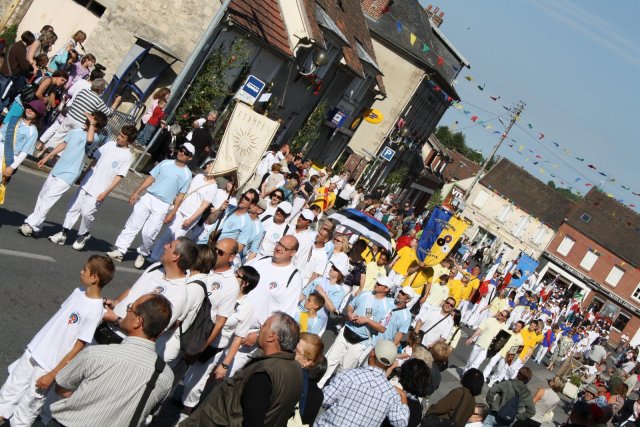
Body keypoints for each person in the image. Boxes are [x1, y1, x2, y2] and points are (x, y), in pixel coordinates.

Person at [0, 255, 114, 426]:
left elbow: (78, 347)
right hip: (34, 350)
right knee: (9, 391)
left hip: (48, 365)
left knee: (28, 407)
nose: (81, 271)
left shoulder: (94, 310)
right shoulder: (77, 293)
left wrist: (52, 374)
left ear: (94, 278)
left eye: (85, 269)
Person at [49, 294, 174, 427]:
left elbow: (61, 387)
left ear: (138, 321)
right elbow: (148, 411)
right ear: (160, 333)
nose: (126, 311)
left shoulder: (96, 354)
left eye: (130, 308)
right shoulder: (165, 376)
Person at [181, 312, 303, 426]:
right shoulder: (295, 368)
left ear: (272, 336)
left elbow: (252, 420)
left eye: (264, 326)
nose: (260, 328)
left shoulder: (265, 372)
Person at [179, 265, 259, 419]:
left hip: (213, 347)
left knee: (195, 383)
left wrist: (224, 364)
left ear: (246, 283)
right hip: (194, 336)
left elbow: (238, 338)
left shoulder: (246, 307)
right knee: (178, 371)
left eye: (237, 275)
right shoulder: (224, 289)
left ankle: (185, 414)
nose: (233, 275)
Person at [17, 111, 108, 238]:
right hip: (58, 168)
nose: (86, 121)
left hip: (70, 174)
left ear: (95, 126)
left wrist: (92, 123)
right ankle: (37, 226)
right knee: (43, 195)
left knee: (49, 198)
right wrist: (48, 156)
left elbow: (89, 140)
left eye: (90, 121)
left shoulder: (95, 138)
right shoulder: (76, 132)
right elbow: (63, 144)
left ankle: (30, 224)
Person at [47, 125, 136, 249]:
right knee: (73, 207)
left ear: (129, 141)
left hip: (101, 188)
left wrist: (106, 192)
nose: (118, 137)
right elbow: (95, 160)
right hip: (88, 181)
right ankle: (63, 233)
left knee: (87, 213)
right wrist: (84, 174)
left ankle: (83, 234)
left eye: (122, 136)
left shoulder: (127, 156)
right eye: (119, 134)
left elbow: (119, 177)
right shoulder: (109, 144)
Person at [107, 143, 194, 266]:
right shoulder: (165, 163)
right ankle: (120, 251)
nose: (182, 153)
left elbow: (181, 195)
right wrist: (136, 192)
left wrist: (173, 212)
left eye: (186, 153)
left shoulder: (187, 174)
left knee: (149, 233)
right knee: (133, 224)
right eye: (181, 150)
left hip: (163, 204)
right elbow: (150, 178)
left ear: (190, 158)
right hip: (149, 197)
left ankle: (143, 253)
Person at [319, 276, 395, 387]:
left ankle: (333, 391)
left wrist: (367, 320)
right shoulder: (365, 294)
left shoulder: (389, 306)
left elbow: (382, 328)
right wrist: (350, 314)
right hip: (346, 331)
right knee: (330, 360)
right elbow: (350, 306)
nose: (376, 284)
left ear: (387, 289)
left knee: (344, 369)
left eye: (380, 284)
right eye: (377, 282)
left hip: (360, 342)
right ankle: (317, 386)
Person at [315, 339, 410, 427]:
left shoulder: (349, 375)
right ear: (391, 363)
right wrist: (403, 397)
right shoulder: (391, 394)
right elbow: (401, 422)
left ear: (372, 353)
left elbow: (323, 399)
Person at [148, 164, 218, 262]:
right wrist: (175, 207)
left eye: (210, 165)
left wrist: (191, 219)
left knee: (176, 237)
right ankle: (154, 255)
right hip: (181, 209)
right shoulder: (198, 177)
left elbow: (203, 206)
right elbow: (187, 190)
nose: (207, 166)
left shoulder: (213, 187)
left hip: (191, 215)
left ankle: (166, 259)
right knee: (168, 233)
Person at [0, 100, 44, 193]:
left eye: (34, 110)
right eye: (29, 107)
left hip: (9, 159)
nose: (30, 110)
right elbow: (1, 134)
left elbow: (24, 153)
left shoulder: (33, 132)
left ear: (38, 115)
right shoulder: (14, 120)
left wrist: (12, 167)